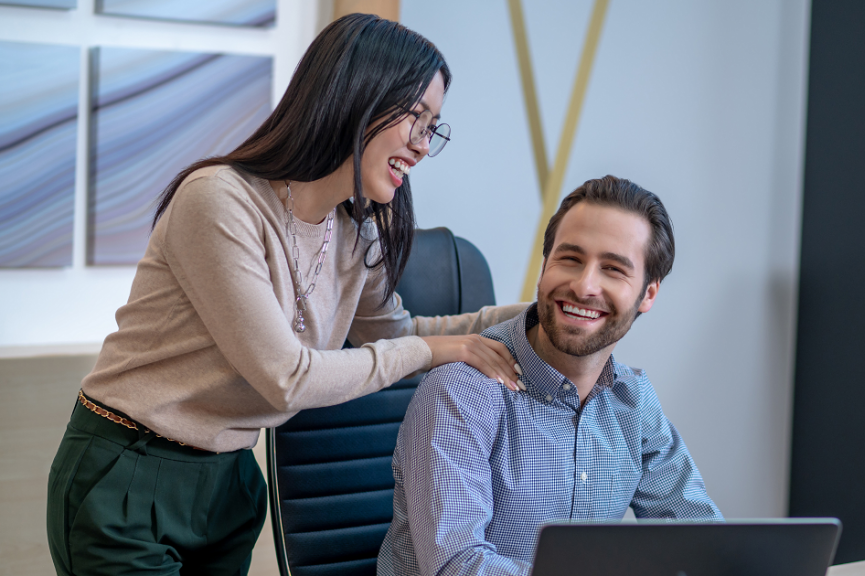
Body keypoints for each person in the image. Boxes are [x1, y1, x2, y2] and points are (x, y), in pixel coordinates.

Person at [46, 13, 527, 576]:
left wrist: (535, 315)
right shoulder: (220, 202)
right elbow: (287, 377)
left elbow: (398, 335)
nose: (422, 146)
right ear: (355, 95)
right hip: (130, 470)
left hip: (227, 481)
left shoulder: (353, 232)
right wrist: (440, 351)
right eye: (414, 118)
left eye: (433, 127)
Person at [378, 176, 723, 576]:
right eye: (570, 259)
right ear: (545, 267)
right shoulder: (460, 393)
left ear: (648, 294)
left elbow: (702, 542)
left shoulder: (632, 399)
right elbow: (458, 567)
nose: (584, 285)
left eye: (613, 269)